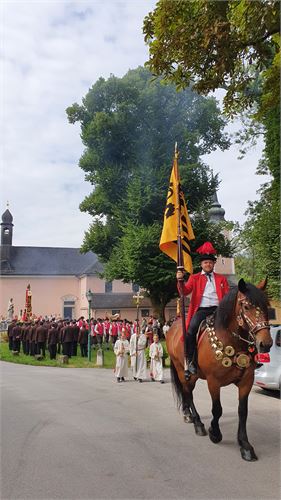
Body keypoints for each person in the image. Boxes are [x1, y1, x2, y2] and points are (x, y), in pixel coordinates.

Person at [176, 241, 230, 377]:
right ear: (201, 264)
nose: (208, 264)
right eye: (206, 263)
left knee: (238, 325)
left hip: (219, 310)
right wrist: (180, 280)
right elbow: (185, 291)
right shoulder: (194, 278)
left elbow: (228, 296)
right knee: (190, 331)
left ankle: (247, 355)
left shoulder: (221, 279)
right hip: (202, 310)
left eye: (210, 262)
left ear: (213, 264)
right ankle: (191, 360)